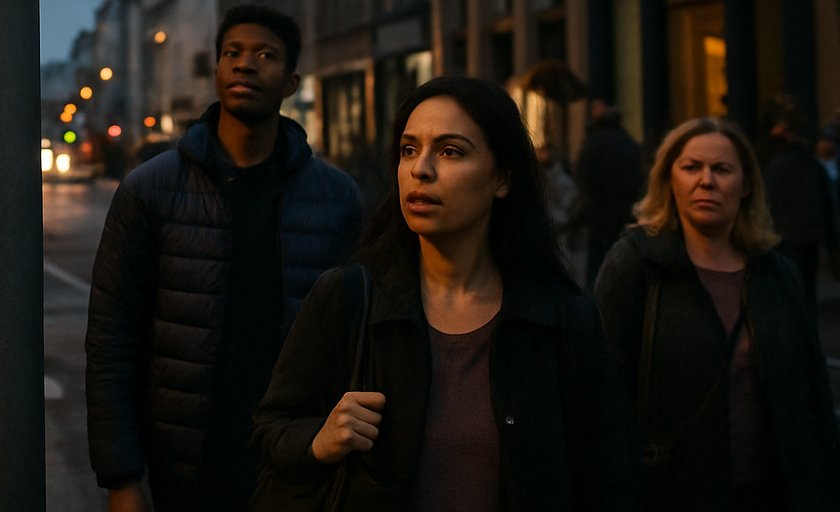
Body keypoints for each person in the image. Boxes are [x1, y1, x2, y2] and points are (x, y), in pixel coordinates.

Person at [252, 75, 637, 510]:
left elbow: (610, 475)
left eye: (451, 151)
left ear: (502, 178)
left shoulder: (561, 317)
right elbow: (270, 430)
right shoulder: (348, 297)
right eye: (408, 150)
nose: (421, 169)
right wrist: (318, 440)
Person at [86, 4, 362, 512]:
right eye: (232, 53)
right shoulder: (150, 190)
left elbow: (358, 343)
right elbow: (112, 340)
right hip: (183, 466)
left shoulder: (338, 199)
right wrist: (121, 477)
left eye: (265, 55)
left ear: (291, 82)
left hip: (297, 464)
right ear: (215, 70)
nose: (245, 64)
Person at [594, 117, 840, 510]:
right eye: (691, 167)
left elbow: (812, 394)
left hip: (773, 494)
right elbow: (599, 395)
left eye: (721, 169)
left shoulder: (777, 273)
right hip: (671, 494)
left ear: (745, 186)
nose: (705, 180)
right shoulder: (636, 264)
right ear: (668, 180)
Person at [762, 116, 838, 305]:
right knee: (806, 289)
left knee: (790, 291)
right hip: (806, 236)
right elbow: (825, 204)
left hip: (784, 234)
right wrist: (831, 244)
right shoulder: (811, 165)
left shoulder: (774, 166)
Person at [574, 99, 645, 286]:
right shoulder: (629, 144)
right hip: (625, 217)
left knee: (597, 273)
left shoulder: (592, 145)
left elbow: (584, 183)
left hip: (599, 221)